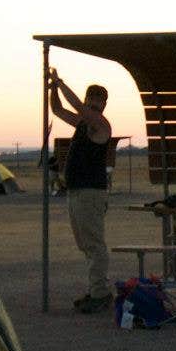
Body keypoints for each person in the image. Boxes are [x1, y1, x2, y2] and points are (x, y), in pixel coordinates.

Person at [48, 71, 114, 311]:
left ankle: (100, 294)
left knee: (94, 244)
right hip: (76, 191)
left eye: (97, 99)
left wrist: (61, 83)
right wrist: (52, 89)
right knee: (85, 244)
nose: (92, 102)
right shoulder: (83, 124)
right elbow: (57, 109)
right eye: (91, 98)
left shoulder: (100, 125)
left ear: (103, 104)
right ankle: (96, 289)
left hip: (90, 192)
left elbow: (74, 105)